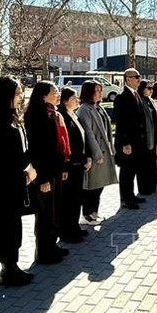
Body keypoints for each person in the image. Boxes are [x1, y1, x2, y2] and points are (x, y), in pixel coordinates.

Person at [0, 76, 35, 287]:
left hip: (16, 181)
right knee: (4, 225)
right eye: (16, 93)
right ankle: (7, 268)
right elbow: (3, 155)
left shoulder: (13, 117)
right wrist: (25, 167)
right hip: (4, 184)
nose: (20, 97)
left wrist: (27, 167)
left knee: (14, 225)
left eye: (21, 93)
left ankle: (13, 265)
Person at [24, 81, 70, 265]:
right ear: (43, 95)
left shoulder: (53, 113)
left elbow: (59, 145)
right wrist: (42, 178)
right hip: (44, 172)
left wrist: (63, 167)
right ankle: (43, 252)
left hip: (55, 169)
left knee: (54, 211)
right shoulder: (36, 114)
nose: (58, 94)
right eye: (55, 91)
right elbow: (37, 149)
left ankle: (52, 245)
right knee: (44, 214)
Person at [77, 80, 117, 223]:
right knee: (92, 185)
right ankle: (87, 214)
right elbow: (89, 134)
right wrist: (97, 154)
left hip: (104, 151)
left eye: (101, 90)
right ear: (89, 93)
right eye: (97, 90)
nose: (101, 93)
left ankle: (94, 211)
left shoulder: (98, 107)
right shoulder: (84, 109)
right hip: (95, 154)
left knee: (99, 185)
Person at [57, 87, 91, 242]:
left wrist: (86, 157)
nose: (77, 100)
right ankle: (67, 231)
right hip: (70, 165)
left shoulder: (73, 115)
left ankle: (74, 226)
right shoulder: (62, 116)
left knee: (76, 199)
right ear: (65, 101)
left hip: (79, 163)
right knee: (68, 201)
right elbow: (66, 143)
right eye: (73, 98)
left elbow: (83, 138)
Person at [113, 68, 148, 209]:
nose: (139, 79)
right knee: (126, 172)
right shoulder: (122, 97)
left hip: (137, 141)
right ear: (128, 79)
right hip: (127, 143)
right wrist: (126, 143)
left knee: (132, 170)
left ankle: (131, 195)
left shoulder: (136, 95)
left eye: (139, 77)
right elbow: (121, 122)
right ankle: (125, 199)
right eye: (136, 77)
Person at [137, 79, 157, 195]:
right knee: (143, 166)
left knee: (151, 164)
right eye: (148, 88)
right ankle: (144, 188)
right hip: (145, 138)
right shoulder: (140, 101)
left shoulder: (149, 100)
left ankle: (151, 185)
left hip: (152, 137)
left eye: (151, 88)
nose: (151, 90)